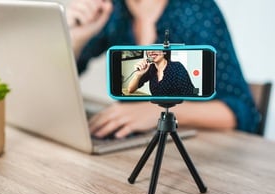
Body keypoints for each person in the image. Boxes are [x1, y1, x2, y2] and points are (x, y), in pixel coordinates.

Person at [65, 0, 260, 139]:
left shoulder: (198, 10)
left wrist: (160, 113)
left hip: (196, 150)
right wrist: (76, 38)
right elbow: (67, 76)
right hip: (134, 146)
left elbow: (244, 113)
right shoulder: (114, 11)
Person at [127, 50, 196, 96]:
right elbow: (130, 90)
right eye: (149, 49)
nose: (151, 51)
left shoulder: (177, 67)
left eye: (156, 48)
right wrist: (137, 75)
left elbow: (190, 94)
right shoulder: (150, 68)